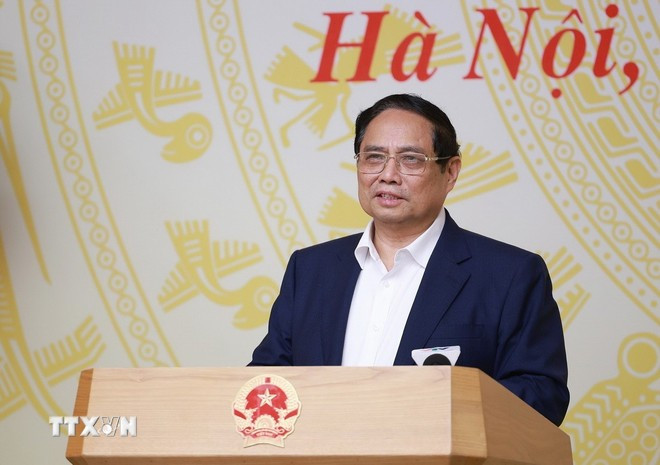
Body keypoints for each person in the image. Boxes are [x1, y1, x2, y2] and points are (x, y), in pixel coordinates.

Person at [250, 93, 569, 426]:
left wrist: (422, 414)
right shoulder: (310, 270)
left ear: (451, 172)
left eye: (411, 160)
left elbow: (541, 397)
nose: (388, 175)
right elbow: (265, 384)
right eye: (374, 157)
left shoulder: (509, 276)